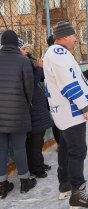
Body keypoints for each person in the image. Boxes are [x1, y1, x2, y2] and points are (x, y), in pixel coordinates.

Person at [43, 21, 88, 208]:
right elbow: (68, 85)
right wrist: (85, 107)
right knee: (77, 151)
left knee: (66, 148)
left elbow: (70, 78)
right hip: (72, 112)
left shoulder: (55, 53)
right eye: (74, 35)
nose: (76, 39)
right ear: (66, 36)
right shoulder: (59, 53)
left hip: (65, 113)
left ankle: (65, 185)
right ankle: (78, 193)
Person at [0, 30, 36, 199]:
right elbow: (30, 88)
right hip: (18, 111)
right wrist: (26, 103)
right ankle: (24, 182)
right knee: (19, 147)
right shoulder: (23, 61)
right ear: (16, 43)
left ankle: (2, 185)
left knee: (1, 149)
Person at [18, 39, 54, 179]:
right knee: (34, 139)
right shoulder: (20, 64)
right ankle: (36, 168)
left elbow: (41, 78)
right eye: (25, 49)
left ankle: (39, 163)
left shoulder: (27, 61)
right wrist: (38, 68)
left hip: (38, 106)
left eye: (28, 48)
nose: (28, 51)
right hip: (32, 107)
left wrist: (40, 67)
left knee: (38, 139)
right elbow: (31, 85)